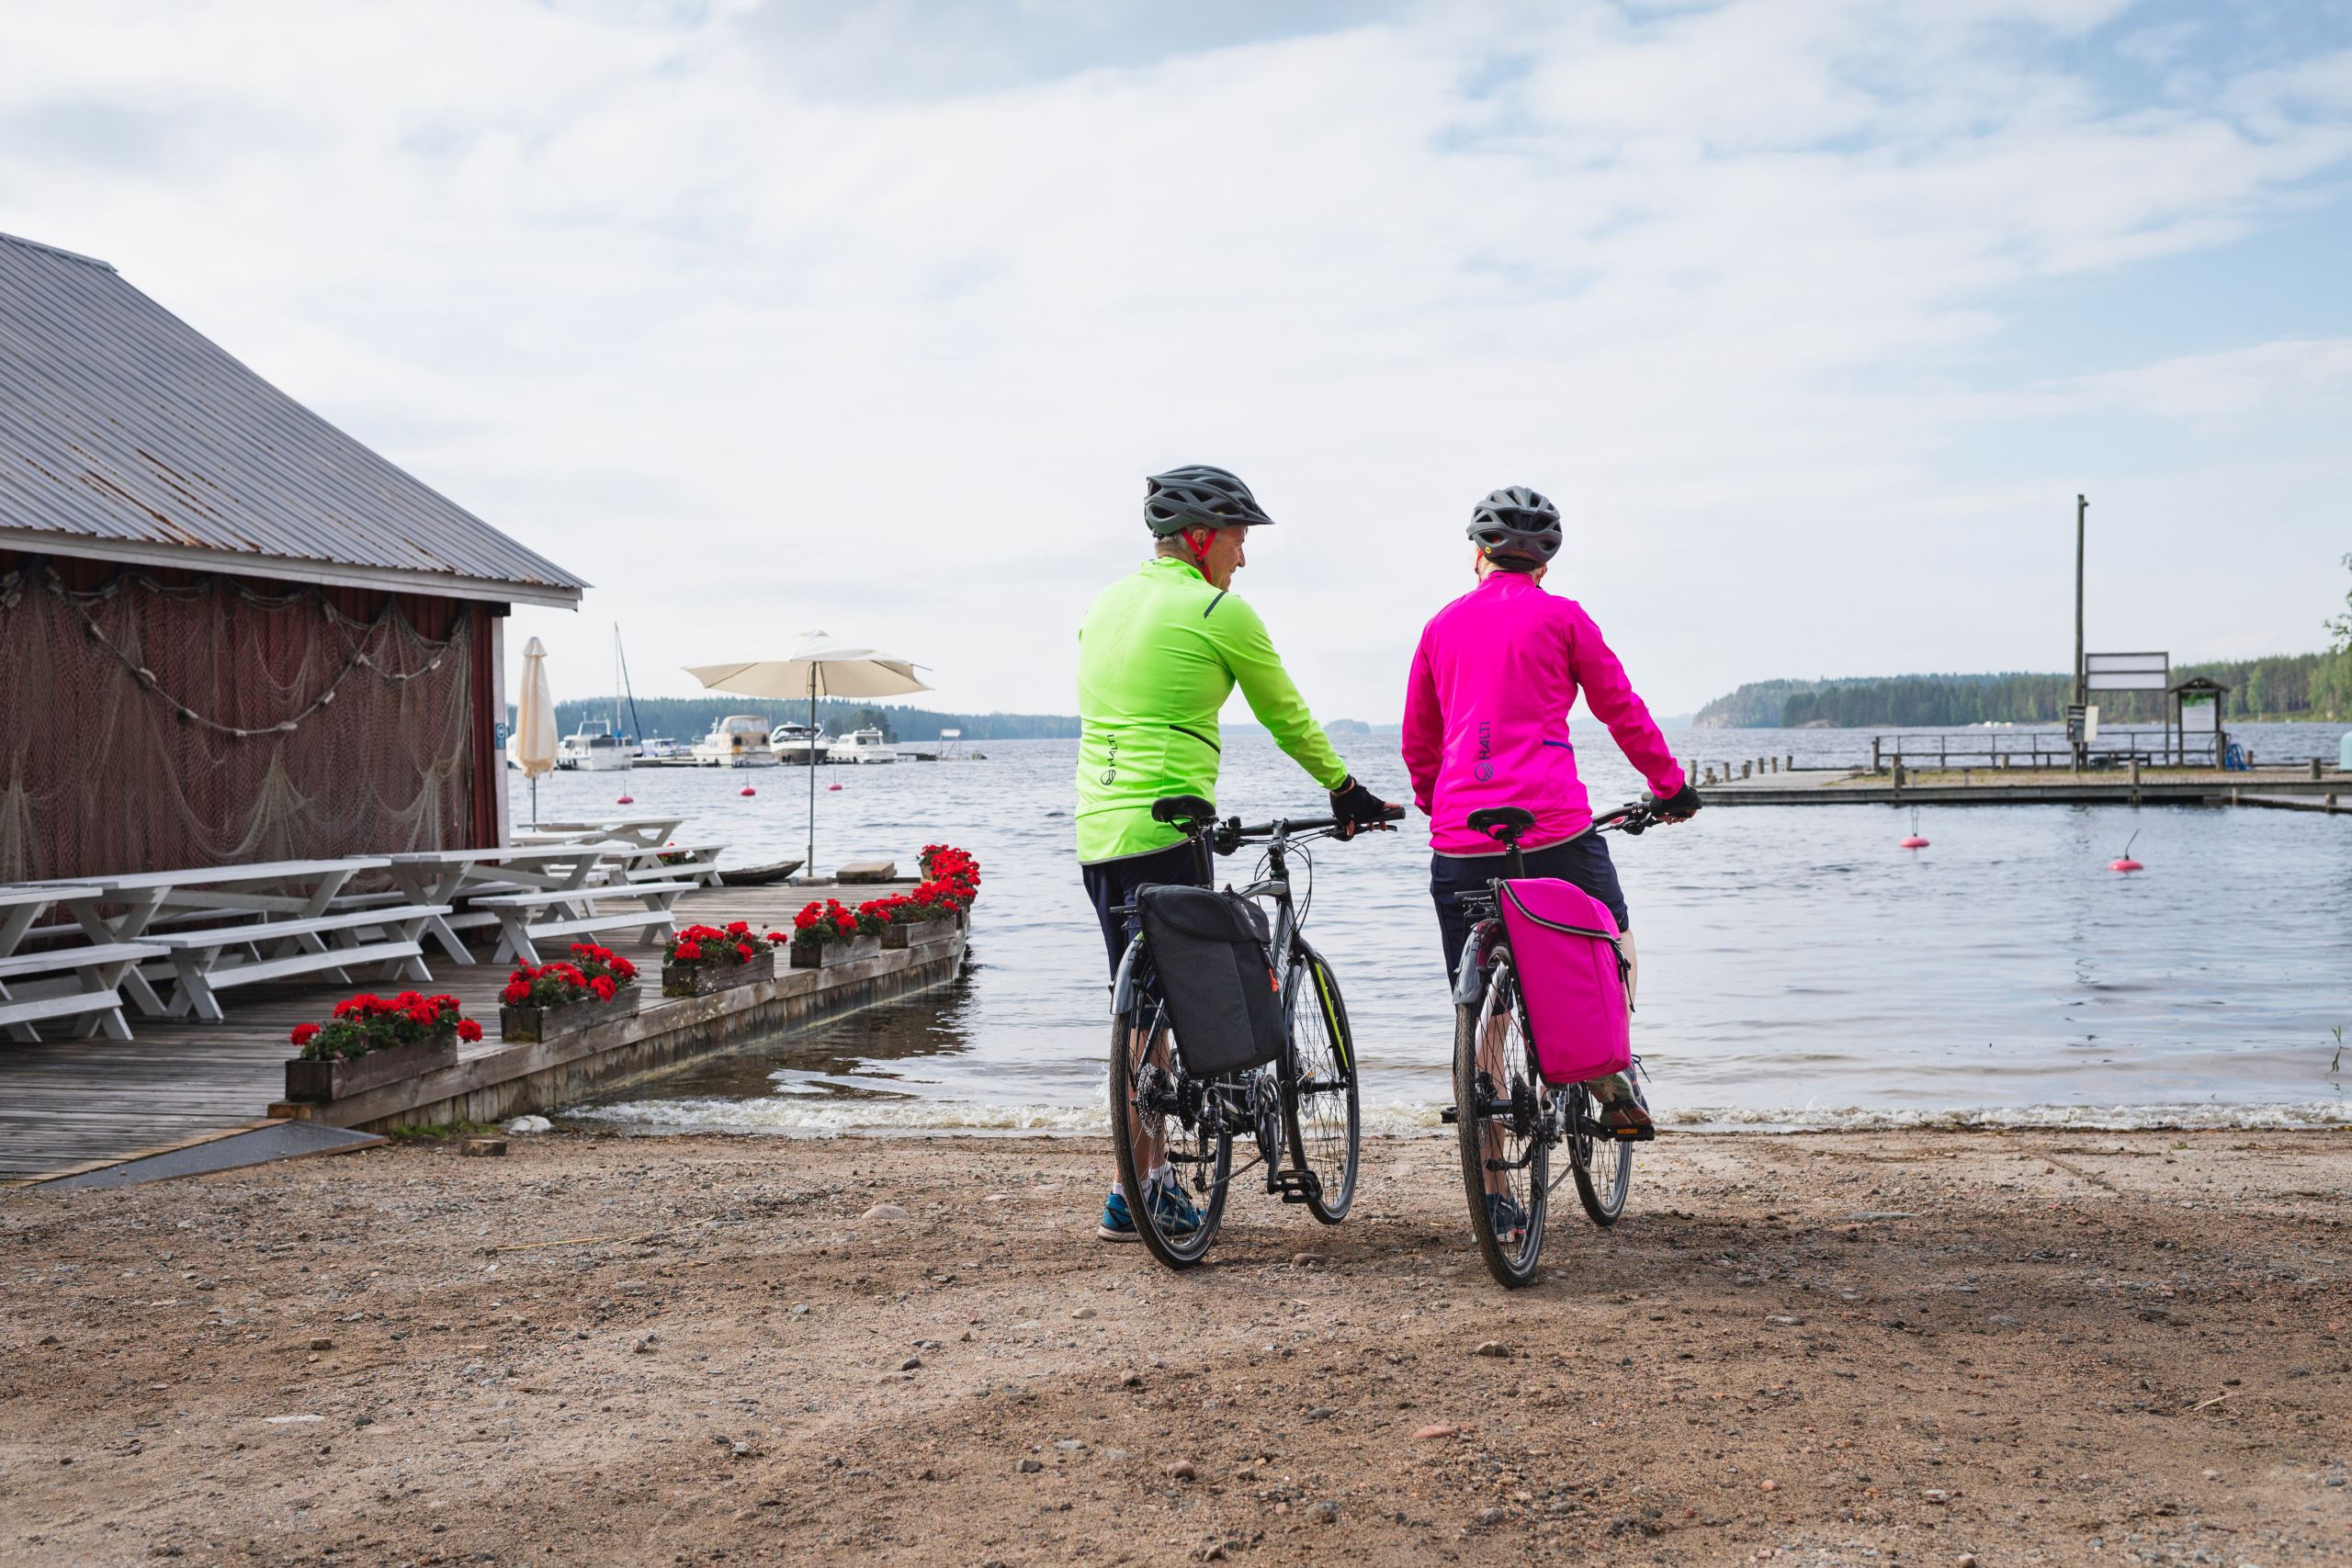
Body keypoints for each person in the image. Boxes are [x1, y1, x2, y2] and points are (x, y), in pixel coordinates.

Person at [1077, 463, 1394, 1242]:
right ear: (1199, 538)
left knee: (1140, 1007)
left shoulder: (1104, 606)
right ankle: (1140, 1186)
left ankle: (1137, 1180)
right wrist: (1345, 789)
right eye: (1237, 539)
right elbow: (1286, 715)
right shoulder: (1219, 610)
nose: (1243, 557)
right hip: (1169, 831)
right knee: (1180, 1004)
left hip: (1099, 831)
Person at [1401, 486, 1700, 1235]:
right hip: (1555, 833)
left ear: (1479, 554)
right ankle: (1610, 1075)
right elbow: (1621, 709)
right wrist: (1670, 787)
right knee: (1611, 932)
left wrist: (1440, 803)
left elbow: (1419, 742)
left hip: (1460, 840)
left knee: (1484, 1016)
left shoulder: (1439, 626)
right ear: (1544, 562)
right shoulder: (1564, 617)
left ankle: (1497, 1194)